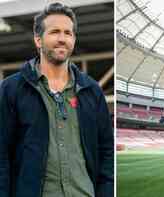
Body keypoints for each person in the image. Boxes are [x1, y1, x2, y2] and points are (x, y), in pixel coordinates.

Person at [0, 3, 113, 197]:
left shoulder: (91, 90)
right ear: (38, 40)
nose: (62, 39)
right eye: (54, 32)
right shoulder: (12, 89)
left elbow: (106, 153)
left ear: (74, 40)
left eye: (68, 33)